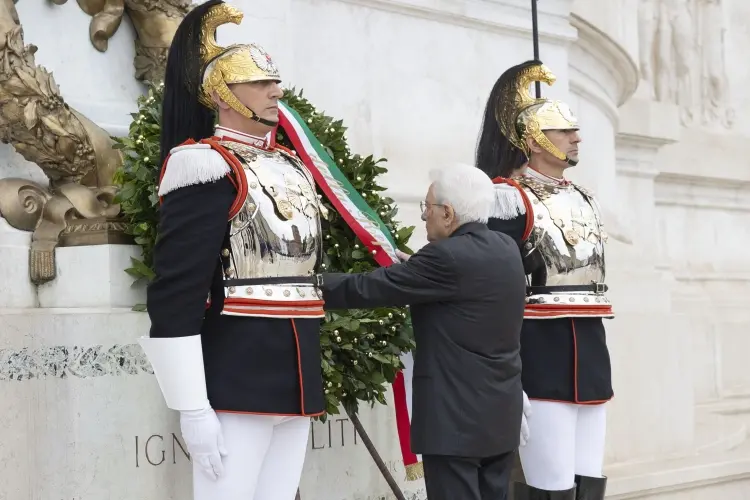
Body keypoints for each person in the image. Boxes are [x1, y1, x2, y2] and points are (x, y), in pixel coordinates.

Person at [137, 2, 325, 499]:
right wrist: (193, 405)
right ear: (222, 92)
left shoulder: (290, 164)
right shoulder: (204, 166)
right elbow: (177, 291)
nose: (276, 91)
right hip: (237, 377)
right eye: (260, 82)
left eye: (275, 81)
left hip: (297, 374)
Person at [320, 163, 528, 500]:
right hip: (500, 419)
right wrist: (419, 268)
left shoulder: (445, 258)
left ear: (447, 213)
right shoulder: (506, 249)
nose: (423, 217)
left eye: (427, 208)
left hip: (455, 424)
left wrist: (307, 285)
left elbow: (368, 288)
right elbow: (463, 288)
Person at [475, 60, 613, 500]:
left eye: (575, 129)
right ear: (534, 141)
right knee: (550, 482)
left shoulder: (585, 197)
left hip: (591, 351)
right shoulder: (508, 198)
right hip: (540, 353)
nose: (576, 137)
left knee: (590, 479)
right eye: (563, 130)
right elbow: (494, 288)